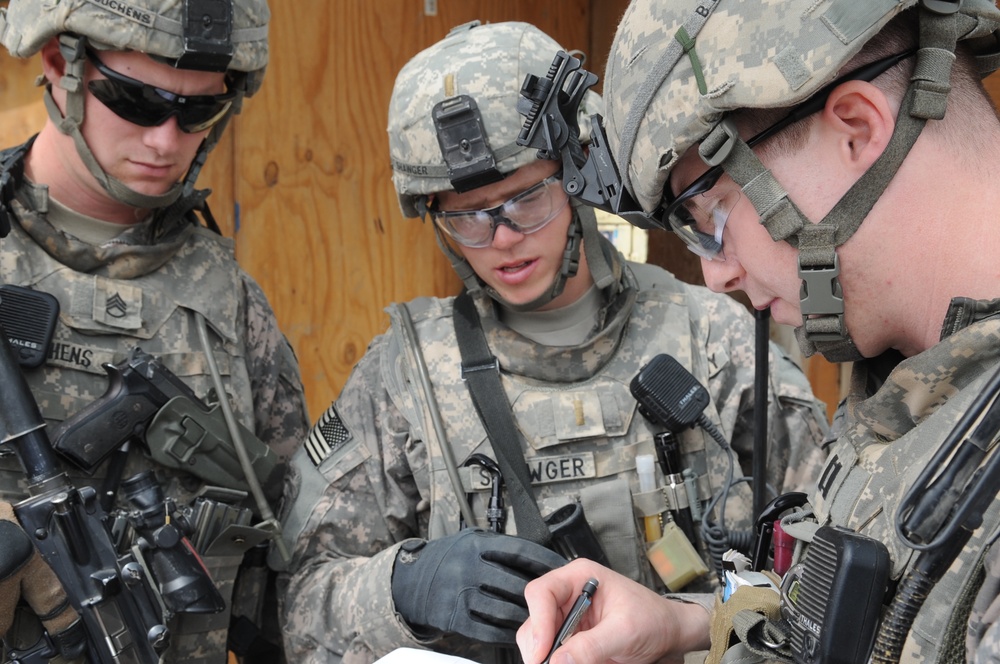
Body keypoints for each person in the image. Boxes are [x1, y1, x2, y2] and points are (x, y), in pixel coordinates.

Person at [277, 19, 829, 664]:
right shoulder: (405, 376)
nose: (503, 237)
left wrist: (693, 620)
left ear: (578, 178)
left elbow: (828, 578)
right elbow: (296, 606)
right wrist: (400, 587)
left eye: (525, 199)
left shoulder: (715, 341)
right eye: (466, 217)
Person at [515, 1, 1000, 663]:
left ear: (856, 131)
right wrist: (683, 624)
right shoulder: (911, 383)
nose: (715, 277)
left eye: (707, 215)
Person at [0, 0, 309, 662]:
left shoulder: (228, 303)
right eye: (136, 102)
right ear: (60, 65)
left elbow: (294, 560)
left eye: (198, 112)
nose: (167, 140)